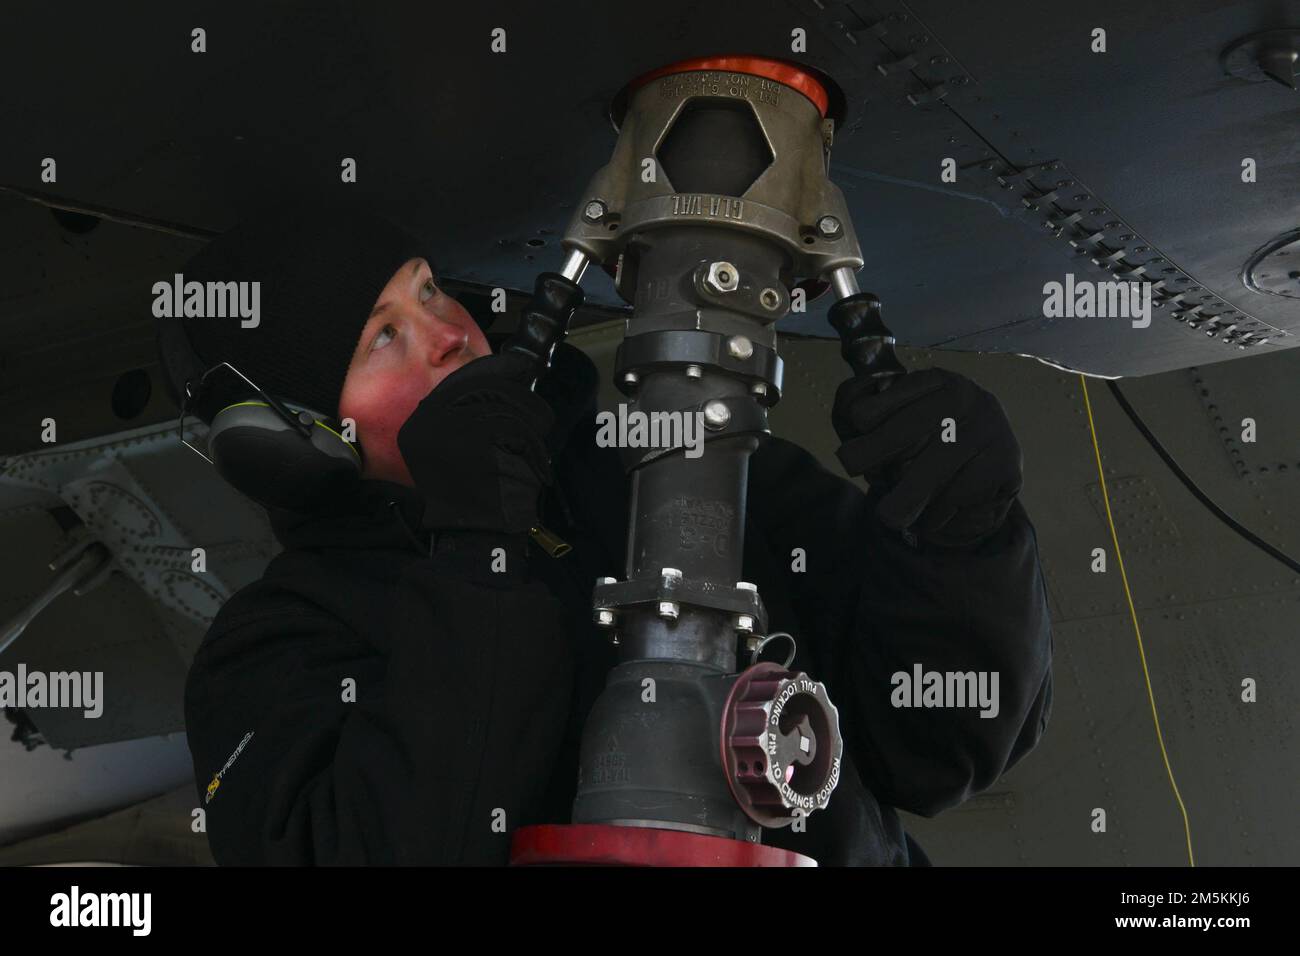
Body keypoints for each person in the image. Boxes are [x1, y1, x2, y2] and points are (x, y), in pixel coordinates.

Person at [168, 198, 1053, 867]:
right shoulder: (274, 651)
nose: (447, 334)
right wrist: (479, 552)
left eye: (429, 288)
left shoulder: (662, 465)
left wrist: (964, 534)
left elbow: (937, 750)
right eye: (383, 337)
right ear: (301, 447)